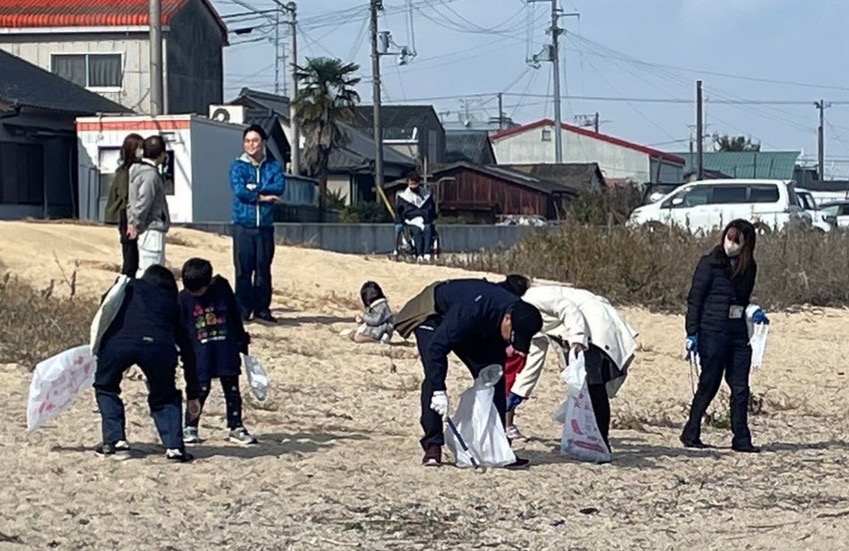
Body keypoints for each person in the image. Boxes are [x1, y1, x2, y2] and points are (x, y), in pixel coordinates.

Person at [394, 278, 543, 468]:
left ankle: (498, 448)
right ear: (507, 319)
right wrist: (440, 391)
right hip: (434, 314)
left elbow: (496, 365)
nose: (512, 342)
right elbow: (436, 349)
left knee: (493, 374)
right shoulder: (471, 311)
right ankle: (433, 446)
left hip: (473, 324)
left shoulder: (516, 313)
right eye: (513, 336)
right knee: (435, 374)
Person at [498, 276, 639, 452]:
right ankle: (592, 439)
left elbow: (569, 310)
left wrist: (578, 338)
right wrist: (517, 394)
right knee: (586, 387)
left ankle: (601, 442)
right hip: (578, 333)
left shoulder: (534, 297)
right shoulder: (525, 315)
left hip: (594, 324)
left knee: (595, 385)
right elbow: (534, 356)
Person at [92, 265, 199, 462]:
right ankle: (174, 447)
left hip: (119, 342)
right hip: (159, 347)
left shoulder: (128, 286)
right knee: (165, 396)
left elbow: (105, 306)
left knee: (106, 387)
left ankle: (115, 442)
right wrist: (194, 393)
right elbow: (188, 349)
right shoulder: (171, 301)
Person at [681, 219, 766, 453]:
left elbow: (743, 299)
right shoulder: (709, 263)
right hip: (712, 331)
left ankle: (741, 438)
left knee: (740, 387)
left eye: (737, 240)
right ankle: (691, 431)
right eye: (729, 238)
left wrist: (754, 312)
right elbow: (695, 299)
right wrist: (692, 333)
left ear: (746, 244)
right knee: (709, 383)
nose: (731, 243)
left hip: (738, 334)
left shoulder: (749, 267)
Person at [178, 258, 257, 446]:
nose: (195, 293)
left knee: (232, 389)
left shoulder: (222, 289)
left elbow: (234, 315)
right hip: (199, 353)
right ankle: (190, 426)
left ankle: (236, 426)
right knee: (199, 390)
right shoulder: (183, 298)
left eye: (198, 290)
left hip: (225, 349)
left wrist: (241, 338)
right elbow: (178, 327)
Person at [230, 124, 286, 324]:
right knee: (243, 270)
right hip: (243, 226)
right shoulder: (238, 166)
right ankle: (242, 310)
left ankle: (262, 309)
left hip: (265, 226)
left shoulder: (273, 166)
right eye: (247, 141)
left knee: (263, 269)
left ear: (263, 143)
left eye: (255, 140)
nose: (251, 145)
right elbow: (239, 191)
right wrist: (261, 197)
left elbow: (279, 186)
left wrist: (254, 188)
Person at [127, 135, 171, 278]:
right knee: (151, 272)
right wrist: (136, 223)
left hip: (144, 229)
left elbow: (131, 201)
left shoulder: (136, 170)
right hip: (151, 228)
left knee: (145, 269)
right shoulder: (150, 175)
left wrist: (131, 221)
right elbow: (144, 201)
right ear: (161, 154)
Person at [104, 133, 143, 277]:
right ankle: (126, 282)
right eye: (139, 147)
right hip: (126, 214)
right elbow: (125, 194)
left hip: (128, 213)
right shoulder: (126, 171)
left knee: (132, 252)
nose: (142, 151)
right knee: (130, 254)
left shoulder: (129, 169)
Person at [394, 171, 437, 262]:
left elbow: (431, 210)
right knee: (416, 231)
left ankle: (427, 253)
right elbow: (400, 212)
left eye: (415, 181)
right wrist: (400, 221)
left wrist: (430, 218)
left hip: (424, 220)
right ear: (408, 182)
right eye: (411, 181)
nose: (413, 183)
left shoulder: (426, 195)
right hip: (410, 221)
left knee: (428, 228)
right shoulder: (403, 196)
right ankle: (418, 254)